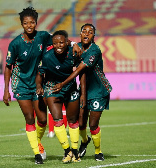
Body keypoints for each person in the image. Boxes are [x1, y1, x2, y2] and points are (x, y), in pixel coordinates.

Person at [3, 7, 82, 164]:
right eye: (26, 23)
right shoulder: (15, 44)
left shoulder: (43, 36)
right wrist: (6, 90)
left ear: (36, 23)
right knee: (29, 118)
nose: (29, 25)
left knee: (43, 120)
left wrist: (73, 43)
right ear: (22, 24)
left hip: (39, 84)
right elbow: (8, 66)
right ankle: (37, 152)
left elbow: (61, 39)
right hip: (21, 85)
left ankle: (37, 142)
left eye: (32, 22)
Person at [53, 23, 112, 161]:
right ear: (80, 34)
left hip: (99, 90)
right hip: (83, 89)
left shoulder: (94, 51)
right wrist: (72, 42)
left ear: (93, 36)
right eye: (84, 31)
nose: (86, 34)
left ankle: (98, 151)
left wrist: (63, 84)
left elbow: (80, 70)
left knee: (93, 125)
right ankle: (85, 141)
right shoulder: (77, 47)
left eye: (90, 32)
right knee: (80, 124)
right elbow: (60, 40)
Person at [36, 30, 84, 163]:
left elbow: (82, 71)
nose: (59, 45)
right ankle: (67, 151)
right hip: (52, 87)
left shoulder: (74, 53)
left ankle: (75, 152)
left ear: (67, 42)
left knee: (73, 121)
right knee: (57, 120)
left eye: (62, 42)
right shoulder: (46, 57)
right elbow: (40, 73)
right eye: (55, 43)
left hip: (70, 87)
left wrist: (83, 91)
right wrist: (39, 86)